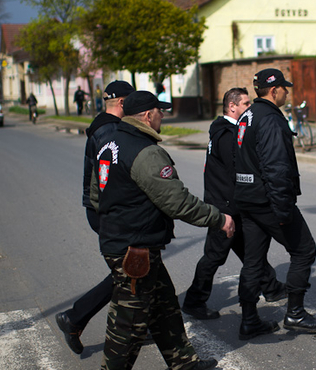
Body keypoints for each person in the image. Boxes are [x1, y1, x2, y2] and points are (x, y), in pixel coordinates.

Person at [90, 90, 232, 370]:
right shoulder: (146, 152)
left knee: (165, 307)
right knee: (128, 326)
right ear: (146, 115)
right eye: (160, 111)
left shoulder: (109, 143)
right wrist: (219, 219)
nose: (163, 116)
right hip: (134, 249)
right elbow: (178, 202)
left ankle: (184, 363)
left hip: (126, 242)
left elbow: (96, 195)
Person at [233, 68, 316, 340]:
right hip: (268, 201)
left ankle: (249, 319)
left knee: (253, 262)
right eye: (284, 88)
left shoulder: (247, 116)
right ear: (274, 90)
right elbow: (276, 168)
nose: (287, 92)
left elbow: (238, 159)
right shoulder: (271, 119)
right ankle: (295, 313)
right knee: (304, 250)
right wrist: (284, 210)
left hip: (248, 200)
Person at [182, 88, 287, 320]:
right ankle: (194, 300)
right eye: (246, 104)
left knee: (250, 250)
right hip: (225, 207)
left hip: (232, 204)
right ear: (232, 107)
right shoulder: (227, 134)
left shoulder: (226, 130)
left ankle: (270, 287)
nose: (249, 108)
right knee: (214, 255)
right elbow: (237, 171)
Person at [55, 80, 135, 355]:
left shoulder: (103, 125)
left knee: (139, 271)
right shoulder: (110, 130)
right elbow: (111, 179)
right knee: (128, 271)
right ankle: (75, 318)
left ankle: (142, 325)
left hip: (102, 208)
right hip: (107, 211)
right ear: (123, 103)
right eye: (132, 102)